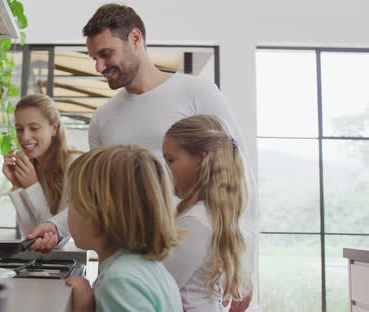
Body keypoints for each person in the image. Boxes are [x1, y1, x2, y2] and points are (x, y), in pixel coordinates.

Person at [27, 5, 256, 300]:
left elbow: (238, 175)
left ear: (135, 38)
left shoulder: (197, 92)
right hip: (131, 265)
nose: (98, 67)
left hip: (193, 268)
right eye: (93, 58)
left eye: (106, 54)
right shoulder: (103, 118)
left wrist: (242, 269)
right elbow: (95, 193)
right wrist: (56, 228)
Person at [64, 145, 183, 312]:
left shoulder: (119, 281)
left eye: (71, 202)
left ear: (98, 214)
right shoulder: (147, 267)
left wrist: (83, 308)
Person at [162, 115, 247, 311]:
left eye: (171, 160)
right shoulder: (209, 214)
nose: (165, 169)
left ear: (201, 159)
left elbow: (159, 286)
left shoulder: (195, 222)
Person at [3, 94, 79, 246]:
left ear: (54, 128)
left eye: (34, 128)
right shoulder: (32, 168)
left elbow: (51, 238)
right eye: (19, 129)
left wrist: (32, 187)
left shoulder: (74, 165)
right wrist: (18, 186)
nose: (25, 137)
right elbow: (31, 235)